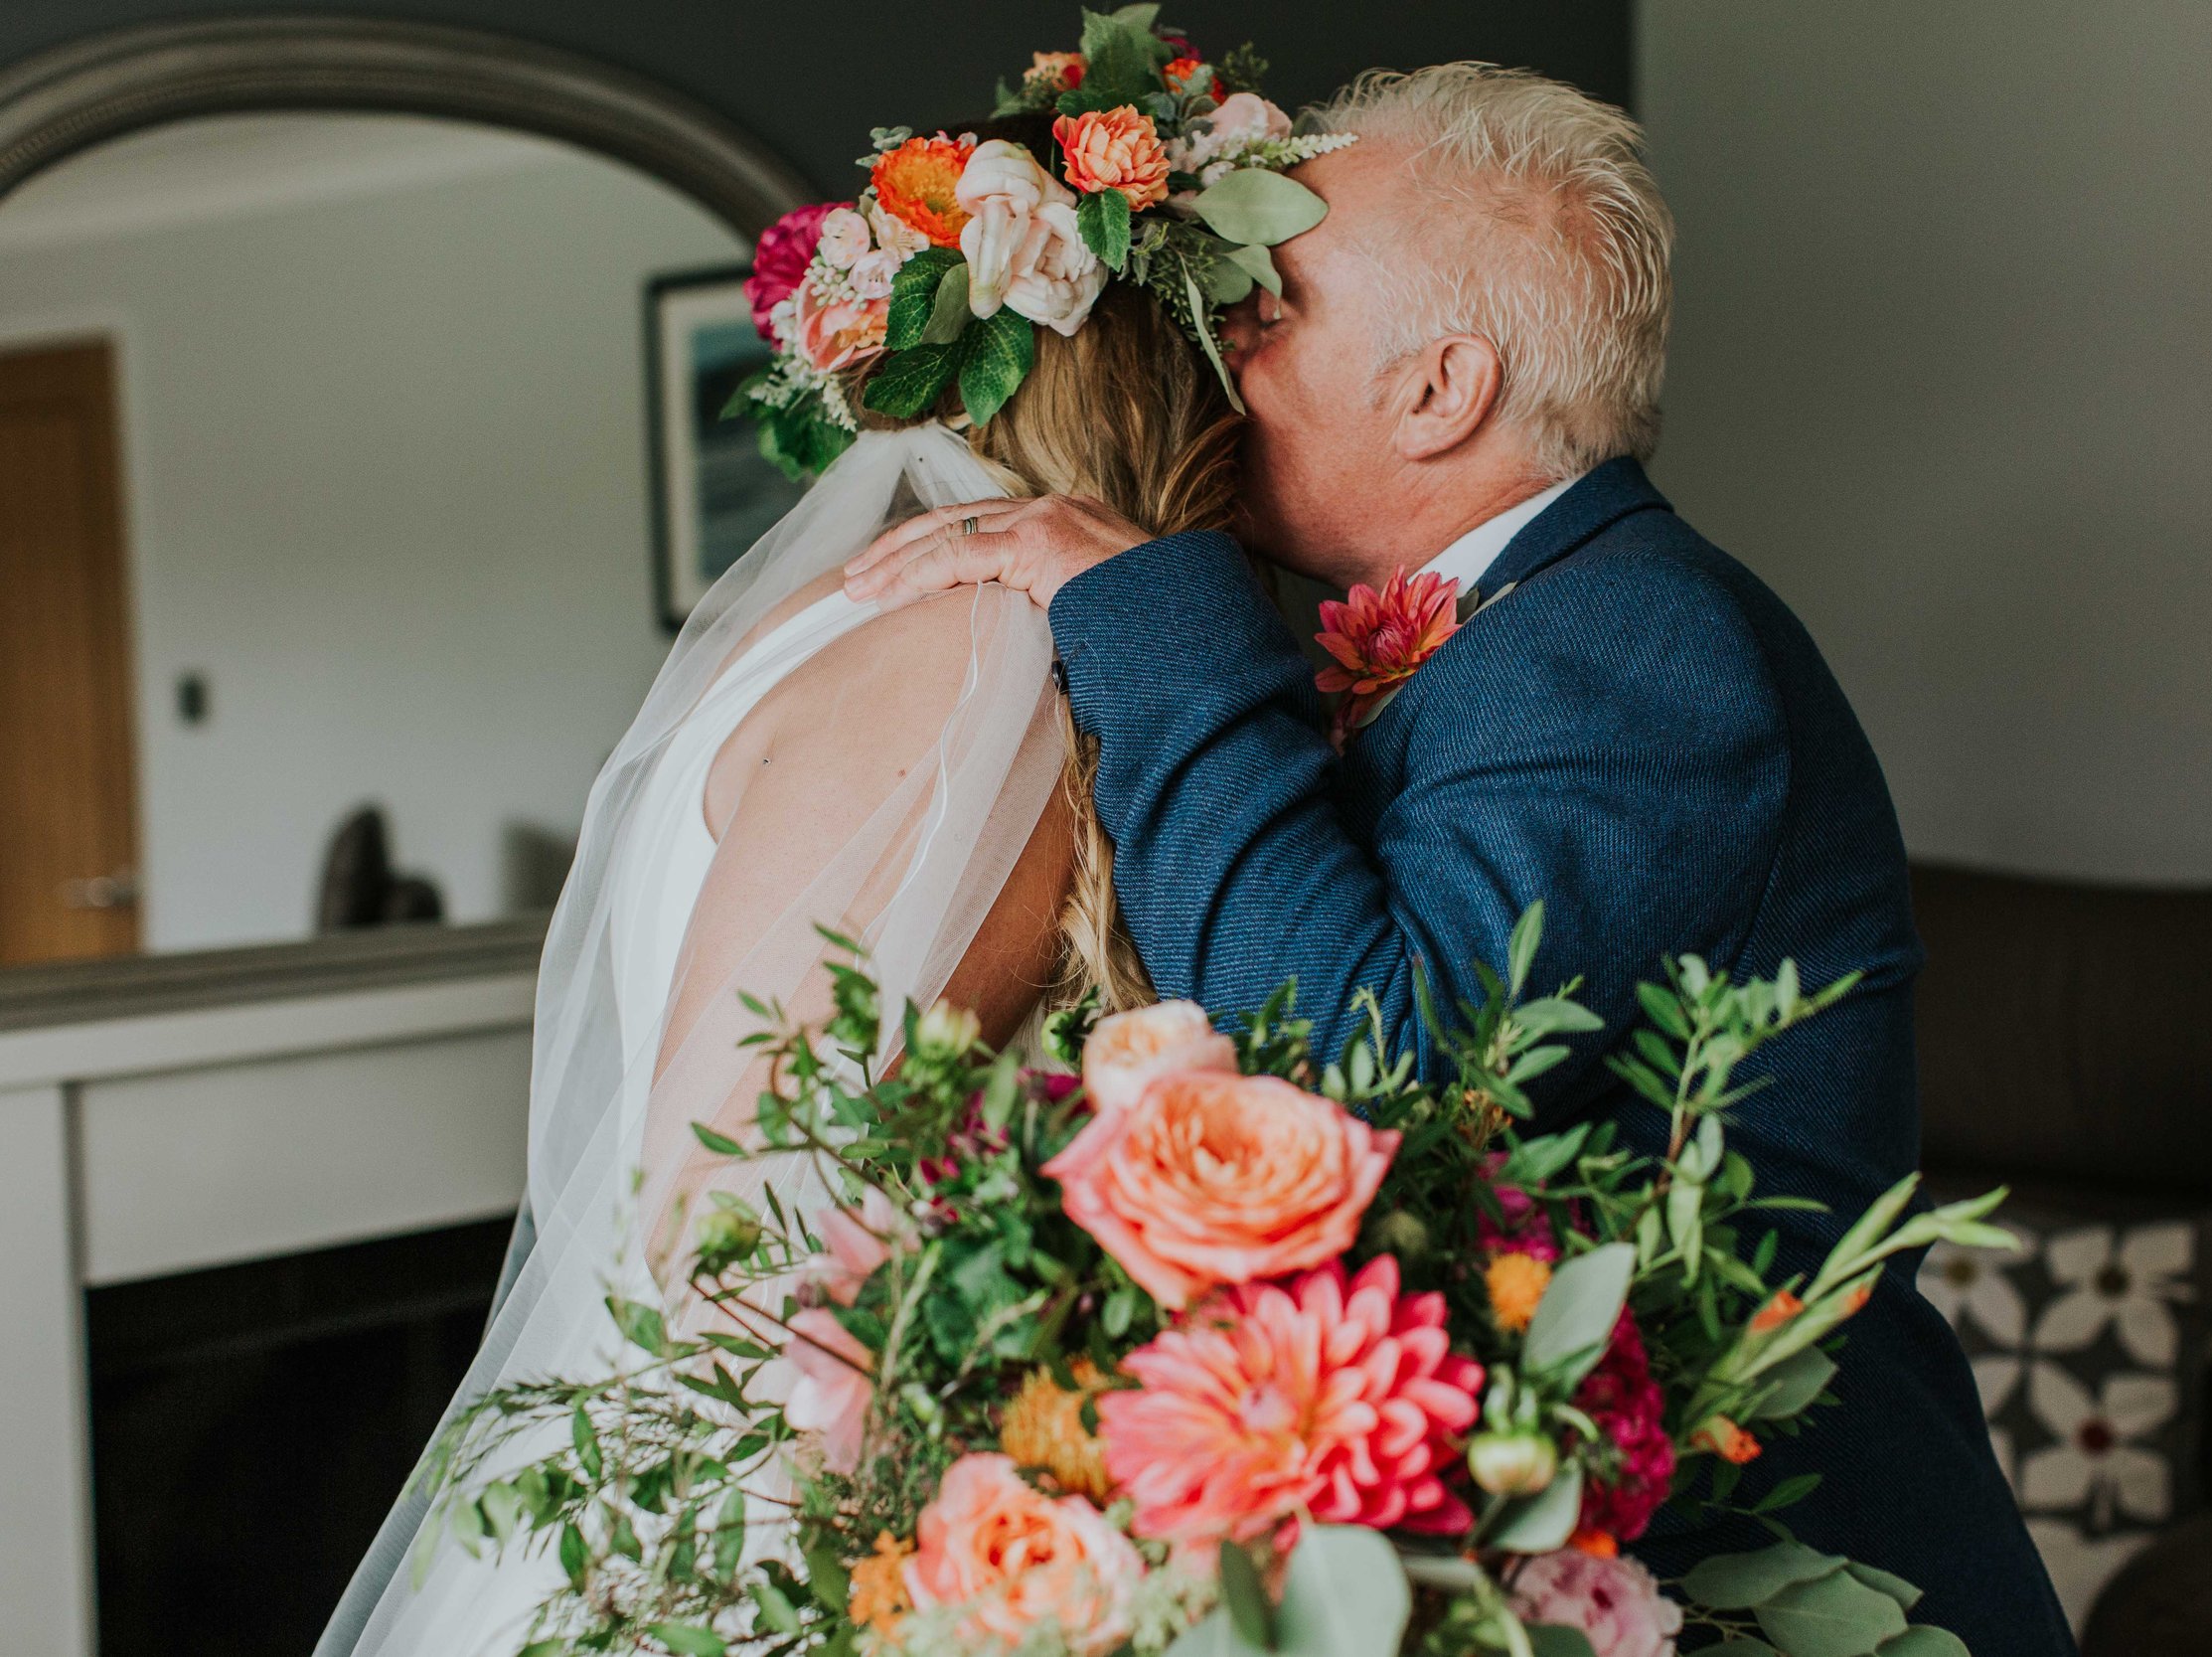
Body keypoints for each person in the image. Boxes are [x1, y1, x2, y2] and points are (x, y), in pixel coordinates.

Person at [843, 64, 2079, 1653]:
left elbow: (1363, 1066)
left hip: (1762, 1577)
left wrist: (1143, 607)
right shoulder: (1523, 626)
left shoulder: (1638, 647)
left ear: (1441, 389)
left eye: (1270, 306)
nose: (1218, 345)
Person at [316, 110, 1251, 1654]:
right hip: (789, 1505)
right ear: (1156, 389)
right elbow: (738, 1202)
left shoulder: (844, 621)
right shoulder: (977, 657)